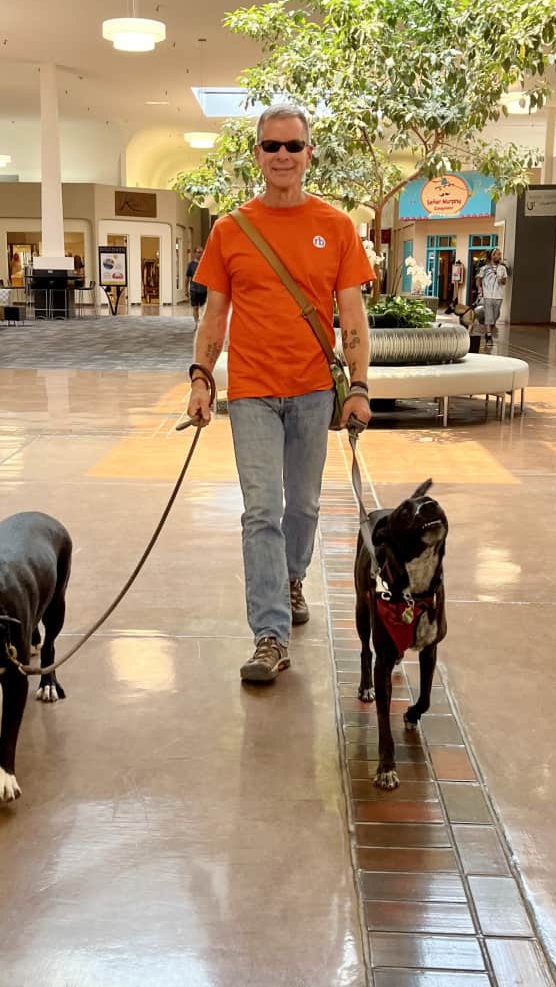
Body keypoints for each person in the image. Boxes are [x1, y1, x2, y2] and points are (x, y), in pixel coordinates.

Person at [186, 103, 373, 683]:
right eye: (273, 147)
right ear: (258, 155)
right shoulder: (230, 229)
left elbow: (353, 318)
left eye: (294, 146)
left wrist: (360, 386)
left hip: (316, 390)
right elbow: (215, 316)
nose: (284, 156)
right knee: (261, 510)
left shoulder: (337, 226)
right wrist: (200, 376)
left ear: (309, 153)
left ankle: (294, 577)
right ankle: (268, 633)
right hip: (251, 394)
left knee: (306, 505)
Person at [475, 247, 508, 348]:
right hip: (488, 295)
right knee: (489, 317)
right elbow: (478, 279)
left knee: (495, 317)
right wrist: (480, 288)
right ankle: (489, 336)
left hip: (499, 296)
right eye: (498, 254)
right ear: (493, 256)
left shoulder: (502, 268)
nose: (499, 256)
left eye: (500, 254)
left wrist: (501, 280)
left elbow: (504, 282)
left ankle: (488, 332)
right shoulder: (484, 268)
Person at [185, 246, 205, 329]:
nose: (201, 254)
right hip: (194, 289)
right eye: (199, 252)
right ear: (195, 253)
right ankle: (197, 324)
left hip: (204, 289)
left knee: (204, 308)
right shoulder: (191, 265)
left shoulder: (206, 263)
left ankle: (204, 324)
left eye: (202, 252)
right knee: (195, 307)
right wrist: (186, 290)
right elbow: (187, 278)